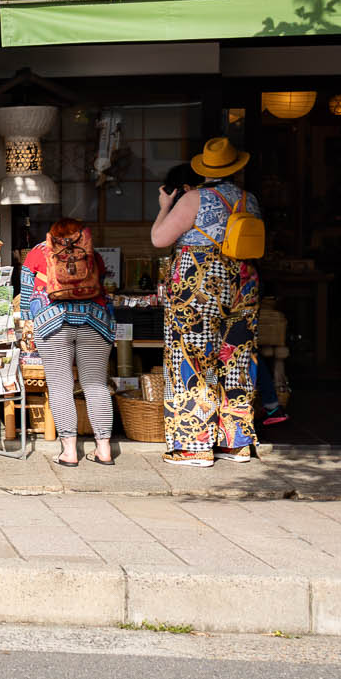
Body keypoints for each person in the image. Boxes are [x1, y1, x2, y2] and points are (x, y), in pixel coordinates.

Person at [150, 138, 263, 466]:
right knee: (236, 359)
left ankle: (193, 445)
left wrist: (164, 207)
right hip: (243, 281)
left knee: (192, 359)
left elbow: (159, 239)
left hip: (200, 283)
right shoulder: (249, 199)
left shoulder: (195, 198)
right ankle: (235, 442)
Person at [20, 218, 115, 466]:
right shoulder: (92, 254)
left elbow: (26, 294)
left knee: (61, 387)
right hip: (94, 322)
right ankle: (104, 450)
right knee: (96, 386)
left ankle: (69, 452)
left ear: (51, 234)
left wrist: (27, 322)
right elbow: (103, 286)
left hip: (53, 324)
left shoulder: (38, 253)